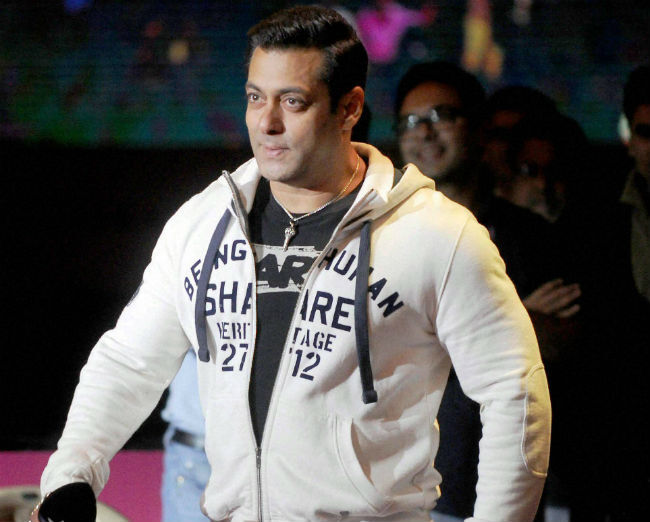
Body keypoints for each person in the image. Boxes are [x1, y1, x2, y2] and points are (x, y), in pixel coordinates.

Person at [32, 7, 551, 522]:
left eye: (293, 101)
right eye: (255, 98)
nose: (267, 123)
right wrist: (70, 475)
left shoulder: (436, 235)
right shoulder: (203, 222)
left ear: (349, 108)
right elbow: (129, 362)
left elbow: (515, 391)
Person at [394, 62, 574, 521]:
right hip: (395, 487)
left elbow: (557, 341)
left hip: (499, 486)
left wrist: (432, 332)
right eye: (411, 121)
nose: (425, 132)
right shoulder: (379, 235)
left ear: (477, 129)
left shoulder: (529, 235)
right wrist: (508, 319)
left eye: (442, 116)